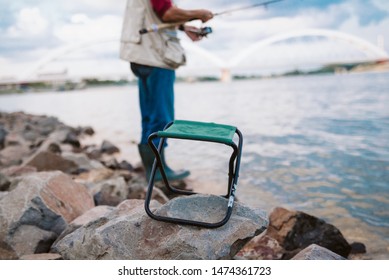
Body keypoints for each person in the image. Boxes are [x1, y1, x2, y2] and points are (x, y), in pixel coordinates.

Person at [120, 0, 213, 181]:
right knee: (162, 117)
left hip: (140, 55)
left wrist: (183, 27)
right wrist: (199, 13)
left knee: (149, 116)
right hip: (156, 57)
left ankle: (152, 171)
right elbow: (167, 13)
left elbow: (154, 15)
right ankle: (159, 173)